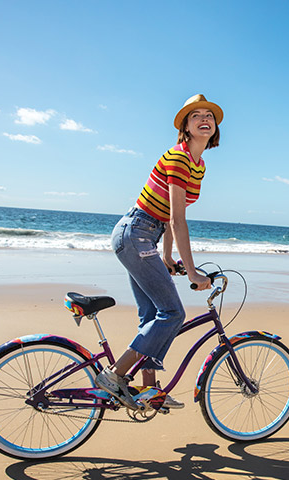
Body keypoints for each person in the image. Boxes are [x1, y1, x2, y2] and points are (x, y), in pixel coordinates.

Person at [95, 93, 223, 410]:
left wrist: (168, 258)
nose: (204, 119)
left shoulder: (199, 164)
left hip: (144, 236)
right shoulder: (179, 158)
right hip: (136, 232)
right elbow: (178, 220)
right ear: (186, 127)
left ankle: (148, 390)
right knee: (174, 313)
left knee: (153, 315)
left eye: (209, 115)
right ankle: (114, 375)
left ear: (215, 127)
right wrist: (192, 272)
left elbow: (166, 215)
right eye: (196, 116)